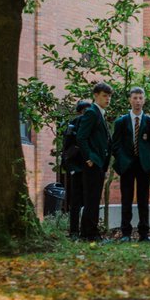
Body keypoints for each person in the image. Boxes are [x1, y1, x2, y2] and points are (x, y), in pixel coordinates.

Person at [110, 86, 150, 242]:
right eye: (135, 98)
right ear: (130, 100)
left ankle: (144, 234)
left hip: (143, 164)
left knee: (144, 199)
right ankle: (126, 233)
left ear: (144, 100)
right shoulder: (121, 121)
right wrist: (121, 158)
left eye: (140, 98)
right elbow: (115, 144)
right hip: (127, 165)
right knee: (126, 199)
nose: (137, 101)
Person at [75, 82, 112, 242]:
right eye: (104, 96)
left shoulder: (100, 113)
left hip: (99, 164)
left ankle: (88, 232)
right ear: (96, 96)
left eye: (109, 96)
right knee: (91, 199)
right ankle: (90, 234)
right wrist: (89, 158)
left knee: (94, 199)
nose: (108, 99)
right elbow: (81, 137)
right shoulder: (92, 113)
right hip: (93, 163)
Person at [63, 99, 92, 239]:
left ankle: (86, 231)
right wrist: (72, 168)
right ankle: (74, 232)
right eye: (84, 110)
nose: (86, 113)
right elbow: (66, 148)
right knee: (75, 202)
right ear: (80, 111)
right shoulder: (73, 124)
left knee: (88, 202)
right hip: (77, 168)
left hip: (90, 167)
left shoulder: (94, 123)